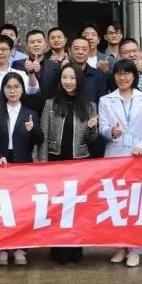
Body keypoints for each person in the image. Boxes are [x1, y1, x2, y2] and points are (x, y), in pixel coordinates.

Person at [98, 59, 142, 268]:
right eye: (118, 74)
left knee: (137, 203)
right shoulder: (106, 100)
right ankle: (120, 246)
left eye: (126, 73)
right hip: (115, 156)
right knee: (117, 203)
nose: (122, 78)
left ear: (134, 76)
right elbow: (102, 127)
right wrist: (111, 132)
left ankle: (136, 248)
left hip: (140, 157)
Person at [39, 63, 99, 265]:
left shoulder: (90, 106)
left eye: (72, 78)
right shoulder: (51, 104)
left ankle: (76, 248)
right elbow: (43, 135)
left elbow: (92, 140)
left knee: (76, 208)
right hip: (56, 162)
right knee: (57, 207)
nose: (68, 81)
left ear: (79, 80)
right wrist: (42, 163)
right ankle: (58, 249)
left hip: (79, 163)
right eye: (65, 77)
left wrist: (92, 129)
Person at [0, 72, 43, 266]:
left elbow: (39, 140)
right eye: (8, 87)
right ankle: (1, 247)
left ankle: (20, 248)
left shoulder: (30, 114)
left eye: (16, 87)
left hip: (23, 165)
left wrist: (33, 130)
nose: (12, 91)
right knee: (2, 209)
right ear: (3, 90)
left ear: (22, 90)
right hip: (1, 164)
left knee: (21, 208)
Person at [13, 29, 61, 102]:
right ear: (26, 46)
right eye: (32, 42)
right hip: (26, 105)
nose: (36, 45)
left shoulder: (55, 66)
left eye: (39, 41)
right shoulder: (18, 65)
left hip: (48, 106)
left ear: (46, 44)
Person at [68, 37, 107, 104]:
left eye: (84, 49)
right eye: (76, 49)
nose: (80, 52)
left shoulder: (98, 75)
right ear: (69, 51)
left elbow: (102, 102)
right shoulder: (62, 73)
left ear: (89, 52)